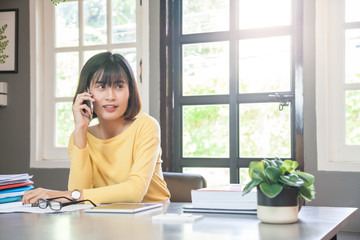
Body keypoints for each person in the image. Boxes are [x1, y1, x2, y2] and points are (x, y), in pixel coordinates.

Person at [22, 52, 170, 205]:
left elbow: (134, 192)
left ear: (130, 92)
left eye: (119, 86)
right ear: (86, 92)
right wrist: (80, 130)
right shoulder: (79, 136)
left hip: (154, 216)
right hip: (107, 217)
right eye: (101, 86)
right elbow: (79, 194)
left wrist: (60, 195)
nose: (110, 96)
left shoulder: (146, 126)